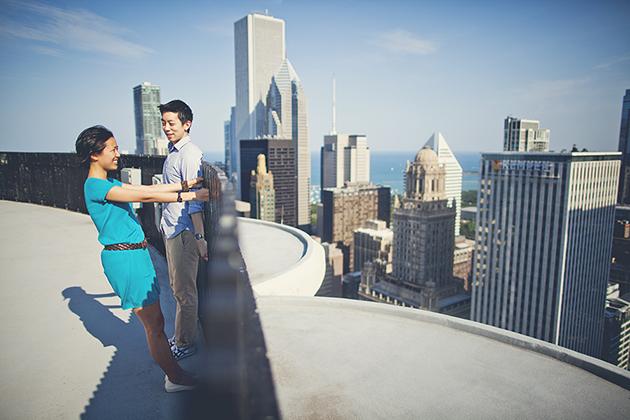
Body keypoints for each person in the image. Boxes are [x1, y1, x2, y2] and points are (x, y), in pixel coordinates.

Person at [75, 125, 208, 393]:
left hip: (135, 255)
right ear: (94, 154)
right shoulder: (95, 185)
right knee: (155, 326)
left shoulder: (108, 182)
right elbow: (145, 195)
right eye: (112, 149)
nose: (118, 154)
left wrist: (186, 183)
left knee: (156, 323)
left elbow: (146, 188)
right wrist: (191, 195)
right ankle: (175, 379)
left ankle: (176, 374)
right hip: (125, 259)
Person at [159, 99, 206, 361]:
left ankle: (186, 343)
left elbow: (196, 201)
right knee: (178, 288)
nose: (166, 128)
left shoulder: (188, 154)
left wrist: (199, 237)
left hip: (183, 232)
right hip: (172, 229)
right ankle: (181, 336)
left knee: (185, 292)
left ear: (186, 124)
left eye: (171, 123)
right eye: (163, 123)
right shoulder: (174, 151)